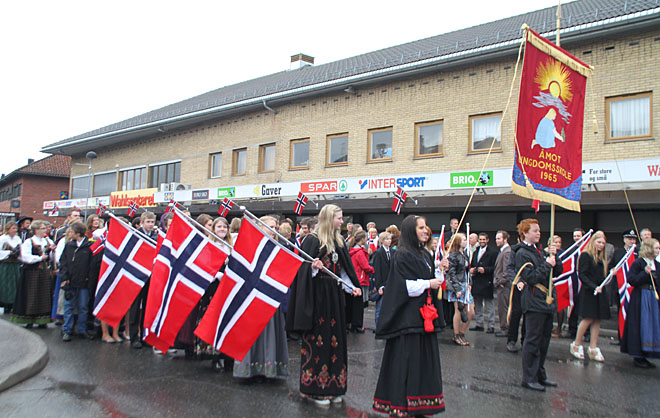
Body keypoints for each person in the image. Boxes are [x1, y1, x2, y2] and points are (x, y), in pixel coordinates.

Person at [286, 204, 361, 406]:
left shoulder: (339, 241)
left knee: (335, 340)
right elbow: (300, 270)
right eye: (339, 217)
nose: (342, 221)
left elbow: (343, 270)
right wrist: (312, 268)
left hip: (335, 297)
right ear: (329, 218)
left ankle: (334, 386)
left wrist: (352, 286)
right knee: (318, 340)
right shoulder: (312, 240)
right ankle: (314, 390)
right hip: (317, 297)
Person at [373, 215, 445, 417]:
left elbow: (431, 281)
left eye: (426, 227)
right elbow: (405, 287)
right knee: (407, 364)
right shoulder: (403, 255)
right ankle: (404, 406)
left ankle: (421, 404)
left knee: (422, 364)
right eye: (421, 227)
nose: (426, 230)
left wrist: (439, 270)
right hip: (408, 321)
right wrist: (428, 283)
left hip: (424, 320)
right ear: (410, 231)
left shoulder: (425, 254)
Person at [233, 216, 289, 379]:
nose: (273, 230)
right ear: (260, 227)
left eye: (275, 227)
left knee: (270, 333)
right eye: (269, 226)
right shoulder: (250, 245)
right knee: (251, 333)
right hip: (253, 295)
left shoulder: (279, 245)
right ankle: (248, 369)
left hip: (271, 294)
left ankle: (268, 368)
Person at [514, 219, 563, 391]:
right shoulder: (522, 253)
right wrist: (547, 265)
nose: (538, 233)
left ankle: (540, 374)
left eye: (539, 230)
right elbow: (532, 277)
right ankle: (529, 377)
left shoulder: (541, 251)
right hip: (534, 301)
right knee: (533, 341)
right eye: (534, 230)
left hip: (547, 301)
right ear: (525, 233)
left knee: (544, 341)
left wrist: (554, 256)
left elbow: (558, 271)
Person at [569, 231, 610, 361]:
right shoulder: (586, 255)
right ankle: (576, 344)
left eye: (603, 243)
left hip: (599, 292)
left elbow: (602, 276)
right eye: (599, 242)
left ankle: (593, 347)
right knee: (587, 318)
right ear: (593, 242)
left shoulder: (601, 258)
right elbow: (582, 274)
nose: (601, 245)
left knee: (597, 319)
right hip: (589, 291)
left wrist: (610, 274)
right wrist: (593, 286)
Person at [621, 238, 660, 368]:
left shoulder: (657, 264)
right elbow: (631, 280)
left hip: (653, 299)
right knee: (640, 325)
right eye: (656, 248)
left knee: (652, 325)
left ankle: (649, 352)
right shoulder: (638, 263)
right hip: (641, 298)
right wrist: (645, 273)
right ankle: (638, 356)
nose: (658, 250)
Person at [11, 220, 56, 327]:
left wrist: (52, 252)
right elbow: (25, 257)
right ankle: (29, 320)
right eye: (43, 228)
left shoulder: (48, 241)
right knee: (31, 296)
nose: (45, 230)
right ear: (36, 230)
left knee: (43, 296)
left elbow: (53, 258)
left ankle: (43, 320)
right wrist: (40, 258)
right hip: (31, 272)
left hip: (44, 272)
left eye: (45, 228)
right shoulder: (29, 242)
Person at [59, 222, 94, 342]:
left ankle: (82, 329)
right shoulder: (69, 246)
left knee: (83, 306)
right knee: (68, 306)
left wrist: (89, 279)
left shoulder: (89, 246)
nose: (70, 234)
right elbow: (63, 262)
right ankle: (67, 329)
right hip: (71, 281)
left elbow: (91, 265)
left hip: (84, 282)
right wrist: (64, 278)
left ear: (78, 234)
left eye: (72, 232)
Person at [129, 211, 158, 348]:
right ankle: (134, 336)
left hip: (149, 276)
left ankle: (144, 336)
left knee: (147, 307)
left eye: (152, 222)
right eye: (148, 222)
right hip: (137, 275)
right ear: (142, 222)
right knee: (135, 308)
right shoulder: (135, 235)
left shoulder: (156, 236)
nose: (151, 225)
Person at [446, 234, 473, 346]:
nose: (466, 241)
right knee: (458, 310)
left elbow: (467, 271)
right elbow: (451, 273)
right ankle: (456, 334)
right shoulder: (453, 255)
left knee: (471, 311)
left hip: (465, 285)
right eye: (463, 240)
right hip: (457, 285)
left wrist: (470, 283)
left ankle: (462, 332)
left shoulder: (464, 254)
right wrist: (457, 288)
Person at [469, 233, 498, 333]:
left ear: (487, 240)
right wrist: (472, 269)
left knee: (489, 304)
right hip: (477, 281)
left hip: (487, 281)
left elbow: (495, 267)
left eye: (483, 240)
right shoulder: (476, 251)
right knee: (478, 304)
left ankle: (491, 325)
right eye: (480, 240)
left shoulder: (493, 252)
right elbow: (473, 264)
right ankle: (479, 323)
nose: (482, 241)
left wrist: (485, 270)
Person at [348, 230, 373, 331]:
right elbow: (365, 266)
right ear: (362, 240)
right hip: (361, 279)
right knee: (360, 305)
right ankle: (357, 325)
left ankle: (351, 323)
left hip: (355, 278)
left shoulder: (353, 250)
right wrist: (373, 269)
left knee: (353, 304)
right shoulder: (360, 252)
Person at [372, 231, 394, 327]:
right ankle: (378, 327)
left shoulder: (393, 252)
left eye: (390, 239)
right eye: (387, 239)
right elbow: (377, 270)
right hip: (382, 283)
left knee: (390, 307)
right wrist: (379, 285)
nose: (389, 241)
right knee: (380, 307)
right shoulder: (378, 253)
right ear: (382, 240)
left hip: (391, 282)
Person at [0, 222, 22, 312]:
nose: (15, 230)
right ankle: (5, 303)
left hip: (15, 264)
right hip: (6, 265)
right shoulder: (3, 239)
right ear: (8, 229)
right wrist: (9, 252)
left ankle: (13, 303)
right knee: (5, 284)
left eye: (16, 228)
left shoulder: (17, 239)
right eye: (13, 228)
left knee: (15, 284)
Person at [493, 230, 511, 337]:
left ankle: (505, 328)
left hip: (504, 285)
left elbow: (506, 270)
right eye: (496, 238)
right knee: (501, 307)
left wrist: (500, 281)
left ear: (505, 239)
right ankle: (504, 327)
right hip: (501, 284)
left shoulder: (507, 252)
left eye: (499, 238)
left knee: (503, 307)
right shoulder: (502, 251)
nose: (496, 241)